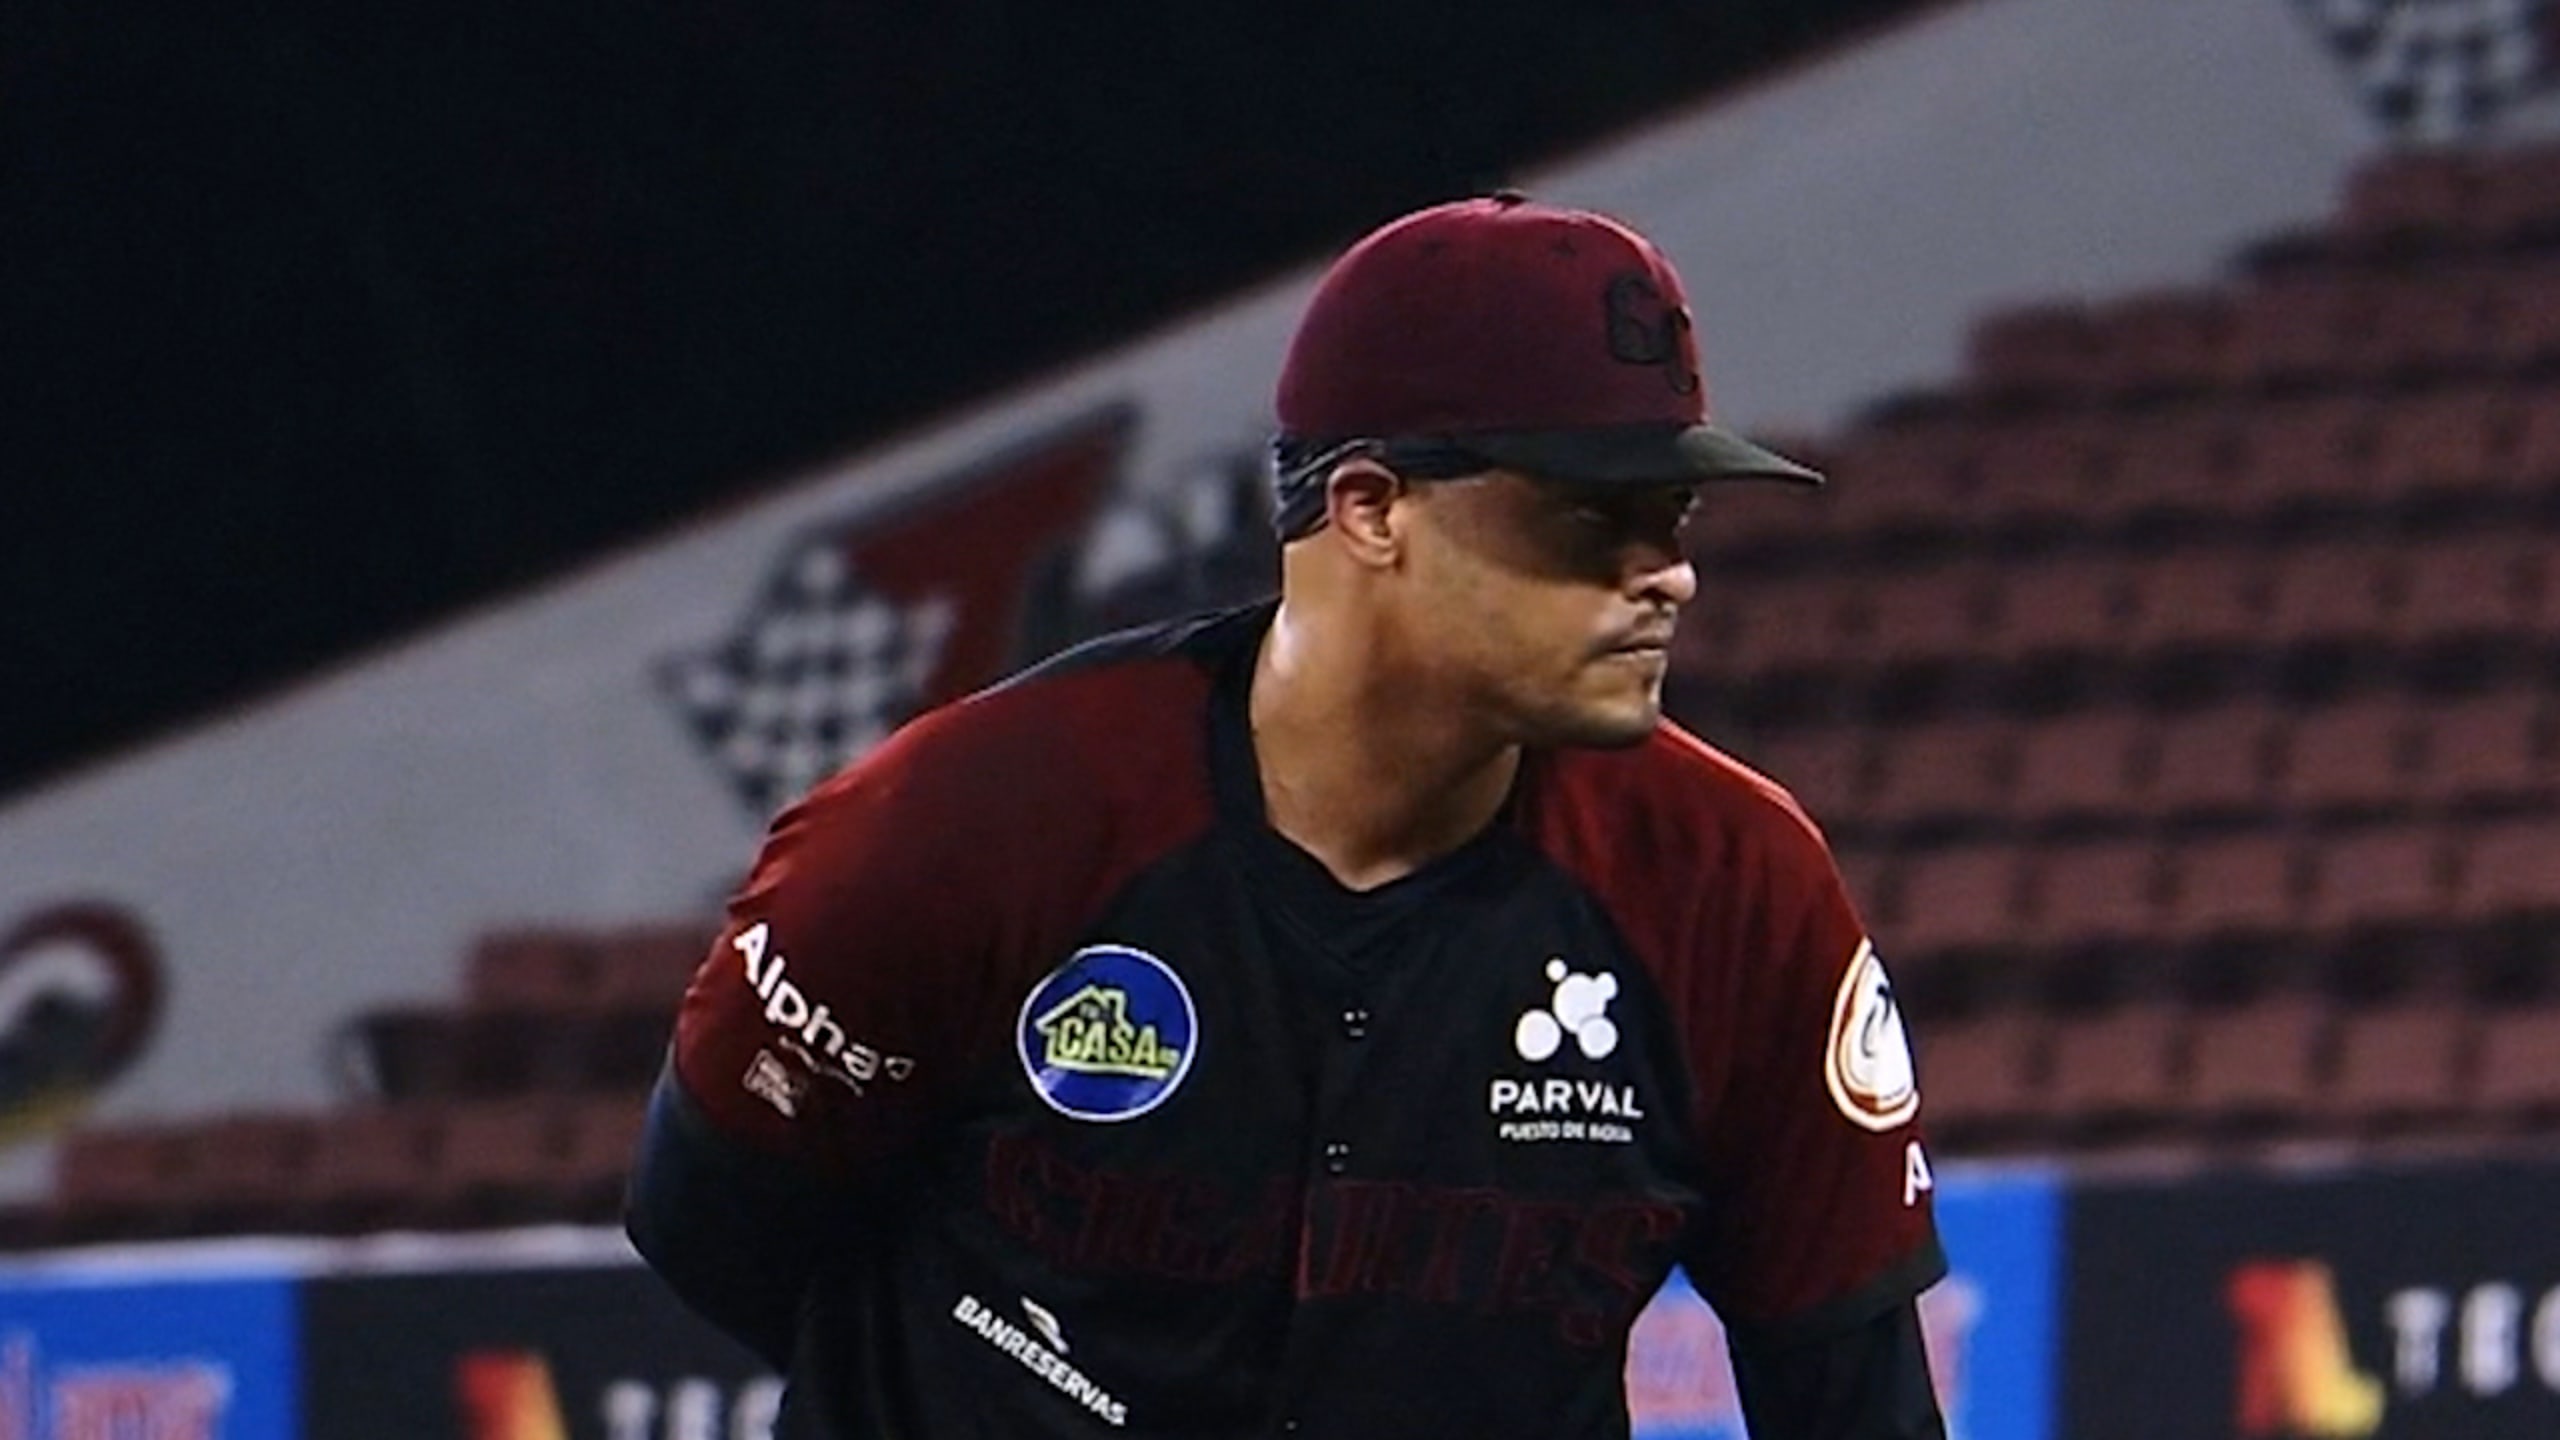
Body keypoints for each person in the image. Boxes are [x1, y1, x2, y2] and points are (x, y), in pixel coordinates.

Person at [627, 191, 1947, 1439]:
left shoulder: (1733, 881)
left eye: (1675, 518)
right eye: (1594, 519)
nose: (1668, 577)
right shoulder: (975, 816)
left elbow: (1852, 1393)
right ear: (1370, 509)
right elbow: (715, 1220)